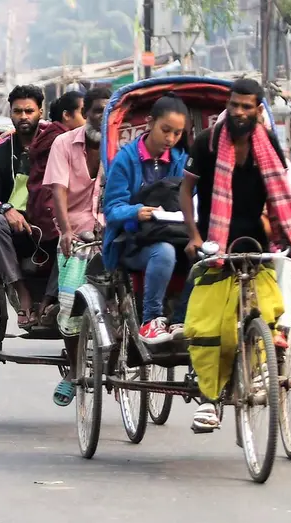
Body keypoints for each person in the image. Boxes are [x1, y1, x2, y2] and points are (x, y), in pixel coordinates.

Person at [180, 78, 291, 431]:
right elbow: (186, 189)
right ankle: (210, 399)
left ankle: (258, 366)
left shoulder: (267, 141)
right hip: (215, 236)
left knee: (268, 310)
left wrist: (285, 233)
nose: (239, 112)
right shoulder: (207, 142)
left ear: (258, 110)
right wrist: (194, 236)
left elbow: (279, 191)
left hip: (255, 237)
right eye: (234, 105)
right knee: (212, 324)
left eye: (246, 106)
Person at [103, 92, 191, 344]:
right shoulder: (126, 160)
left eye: (177, 133)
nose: (170, 139)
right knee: (164, 252)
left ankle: (181, 318)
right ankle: (150, 320)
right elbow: (112, 209)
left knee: (204, 254)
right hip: (133, 240)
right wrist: (135, 211)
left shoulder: (181, 161)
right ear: (150, 123)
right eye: (165, 130)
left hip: (174, 233)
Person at [43, 86, 112, 406]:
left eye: (107, 110)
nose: (101, 116)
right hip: (76, 233)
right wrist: (67, 231)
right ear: (87, 113)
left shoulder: (123, 145)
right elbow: (58, 191)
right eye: (96, 110)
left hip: (113, 231)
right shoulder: (64, 143)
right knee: (71, 300)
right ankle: (73, 369)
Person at [0, 84, 49, 329]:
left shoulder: (57, 144)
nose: (23, 117)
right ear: (10, 113)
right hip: (16, 230)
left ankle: (51, 302)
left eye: (29, 111)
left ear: (41, 111)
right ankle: (22, 292)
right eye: (18, 111)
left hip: (51, 226)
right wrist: (6, 209)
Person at [26, 90, 86, 324]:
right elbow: (58, 187)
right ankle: (52, 301)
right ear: (67, 116)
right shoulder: (61, 140)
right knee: (72, 241)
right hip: (49, 208)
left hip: (56, 206)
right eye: (84, 112)